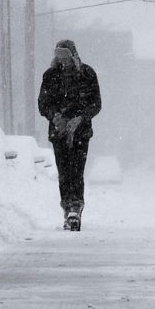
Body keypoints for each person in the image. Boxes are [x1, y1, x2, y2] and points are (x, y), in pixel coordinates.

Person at [36, 38, 102, 231]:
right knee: (64, 172)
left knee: (77, 171)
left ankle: (76, 207)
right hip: (58, 133)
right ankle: (67, 207)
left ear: (73, 55)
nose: (62, 60)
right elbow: (43, 103)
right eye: (58, 55)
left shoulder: (87, 74)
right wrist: (55, 116)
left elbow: (96, 103)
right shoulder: (50, 75)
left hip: (80, 133)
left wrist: (80, 118)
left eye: (65, 55)